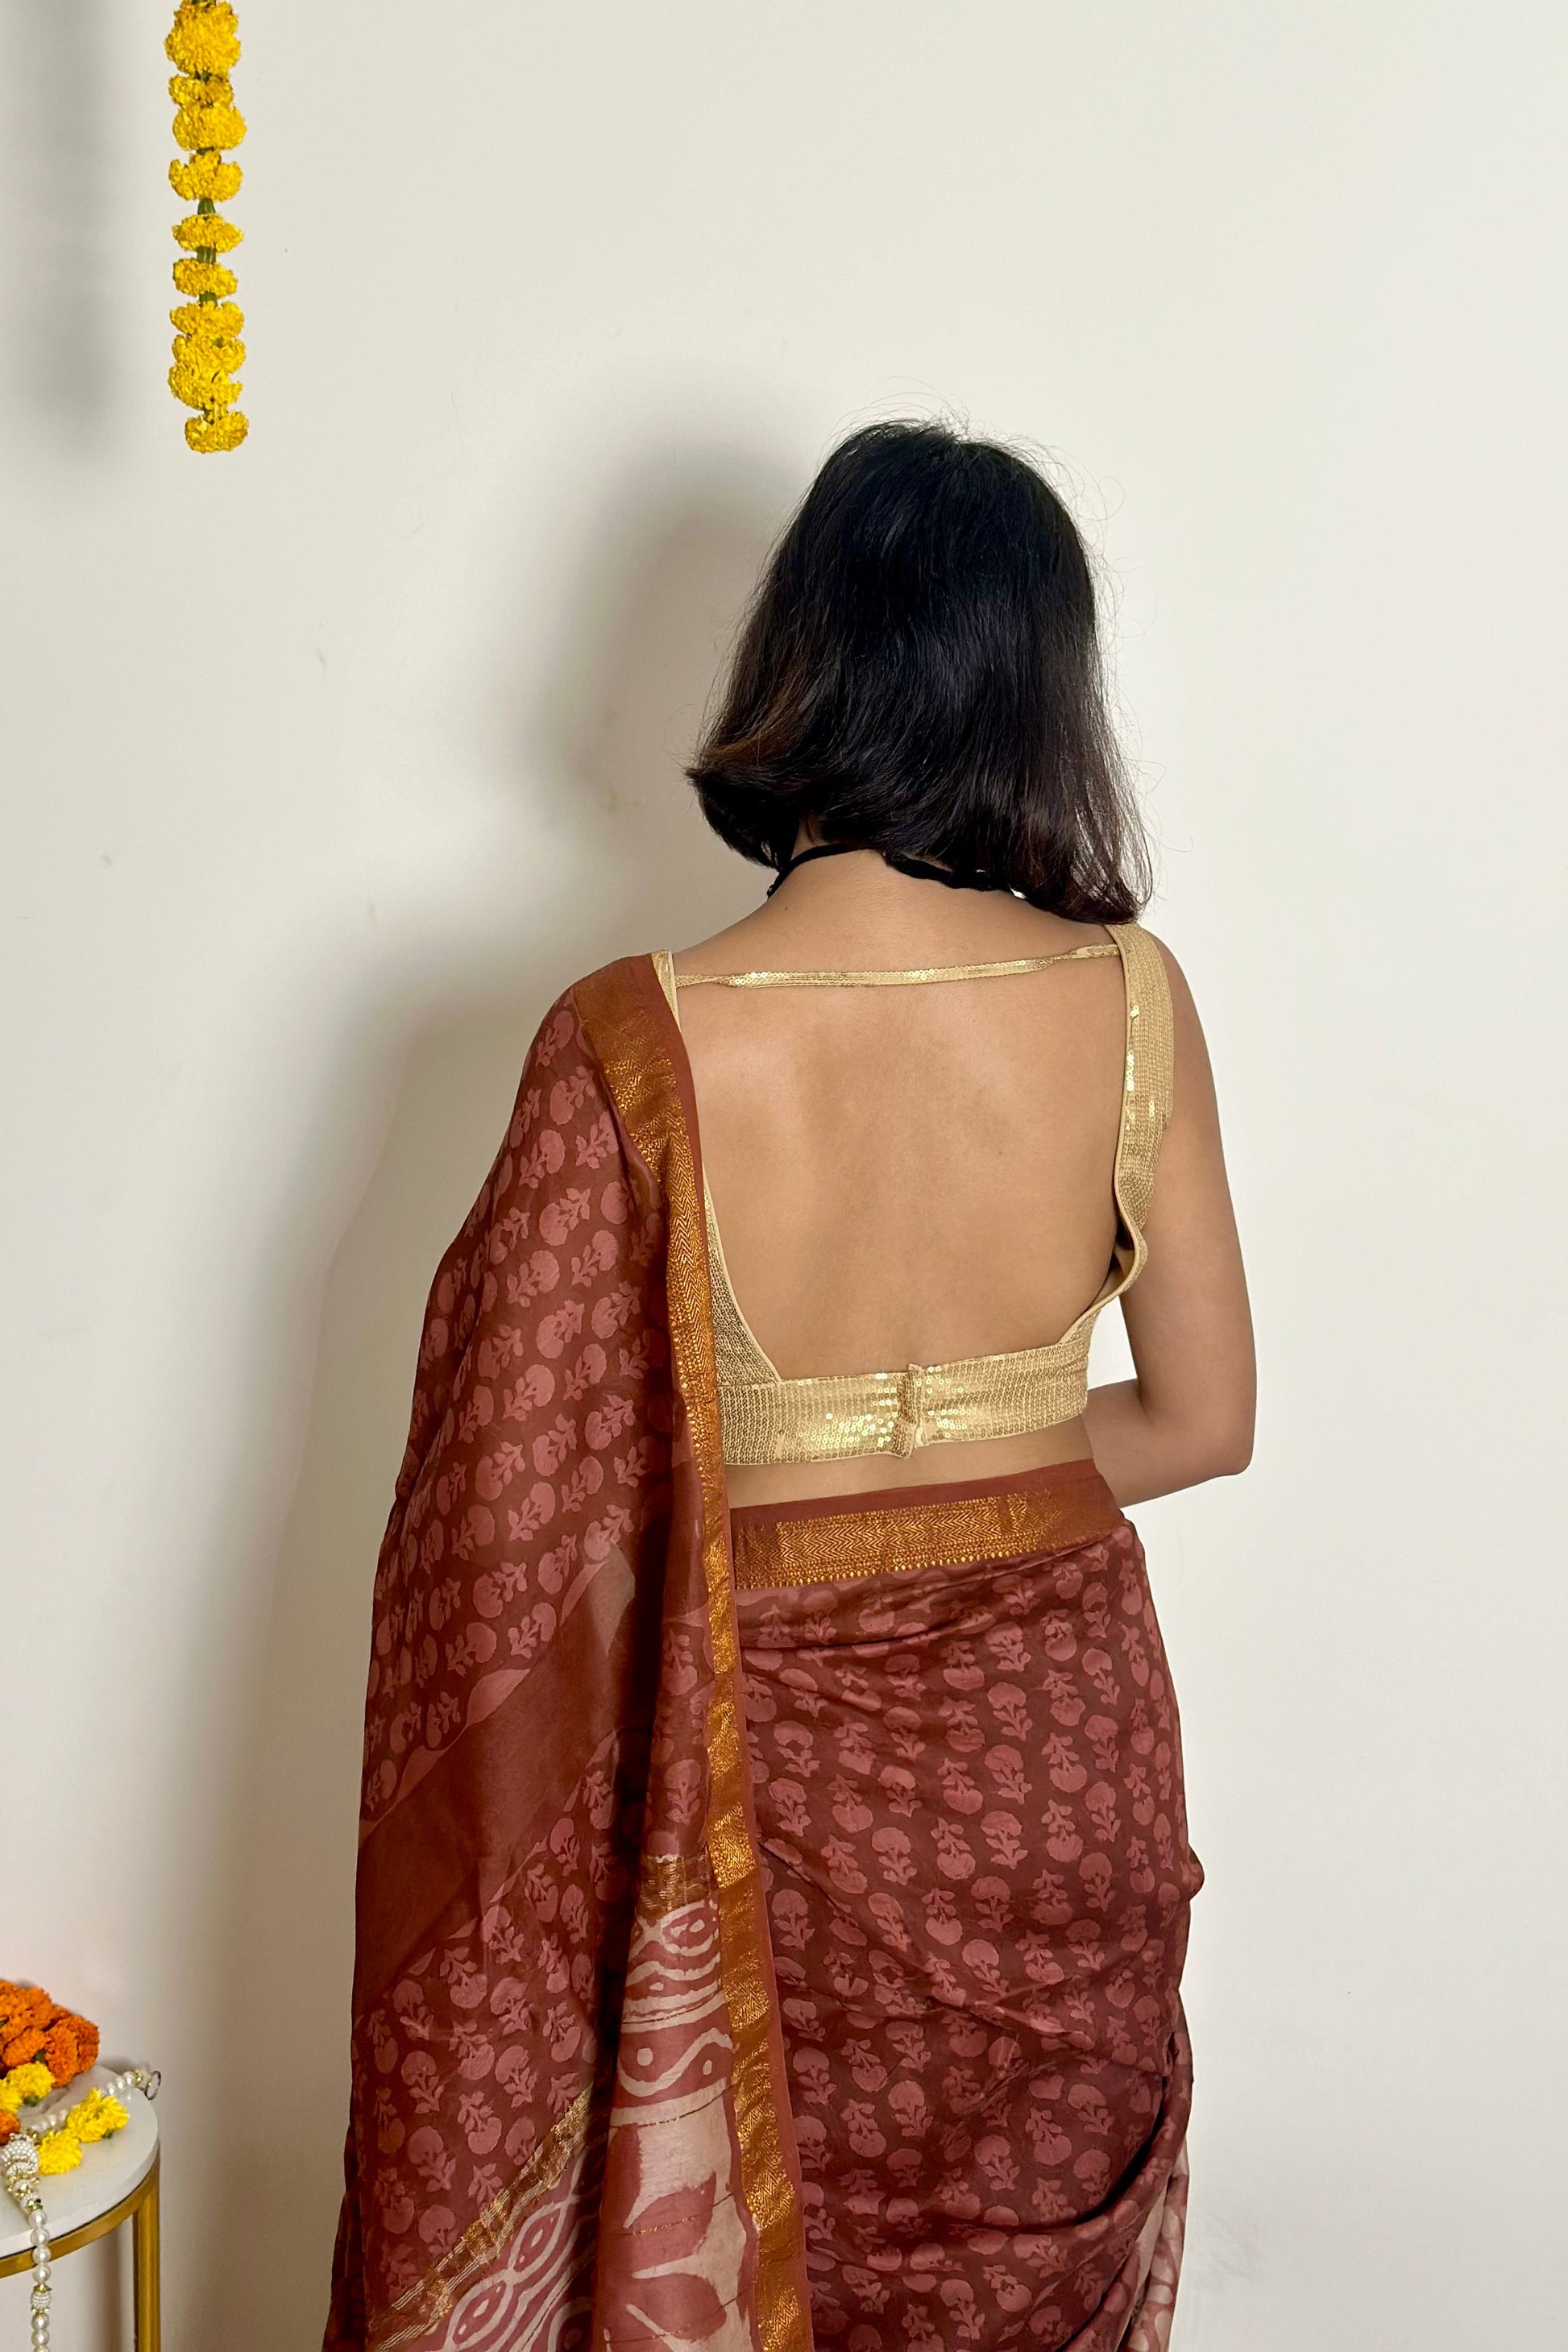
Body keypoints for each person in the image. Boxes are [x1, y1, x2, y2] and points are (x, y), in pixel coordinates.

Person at [325, 421, 1255, 2352]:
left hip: (759, 1764)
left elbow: (502, 1529)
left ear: (802, 660)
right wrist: (988, 1466)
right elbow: (1199, 1418)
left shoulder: (634, 1038)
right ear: (1040, 693)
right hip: (1056, 1762)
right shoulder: (1131, 1000)